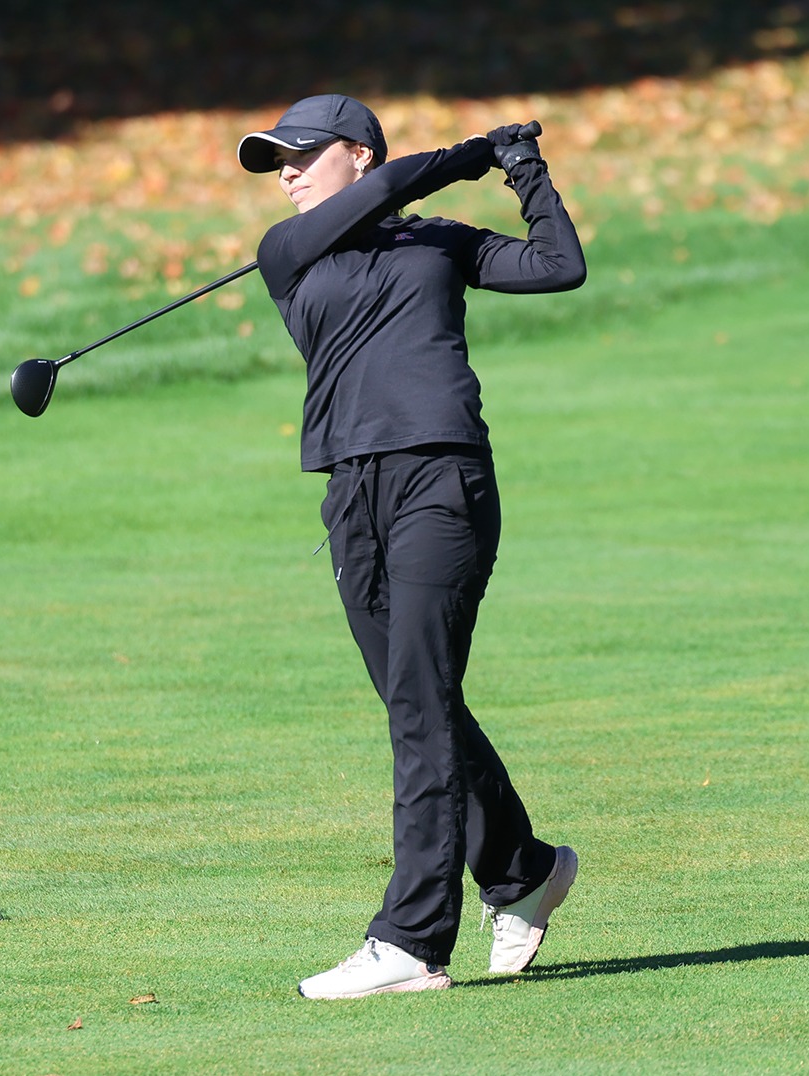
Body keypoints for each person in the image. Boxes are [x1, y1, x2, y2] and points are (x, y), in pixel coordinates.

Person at [237, 94, 587, 999]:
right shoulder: (287, 251)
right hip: (351, 493)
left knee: (419, 704)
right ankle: (523, 871)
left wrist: (522, 170)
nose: (284, 171)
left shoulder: (439, 242)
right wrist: (465, 150)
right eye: (275, 158)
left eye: (300, 153)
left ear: (354, 152)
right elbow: (395, 183)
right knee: (417, 699)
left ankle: (411, 939)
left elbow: (558, 267)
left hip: (444, 479)